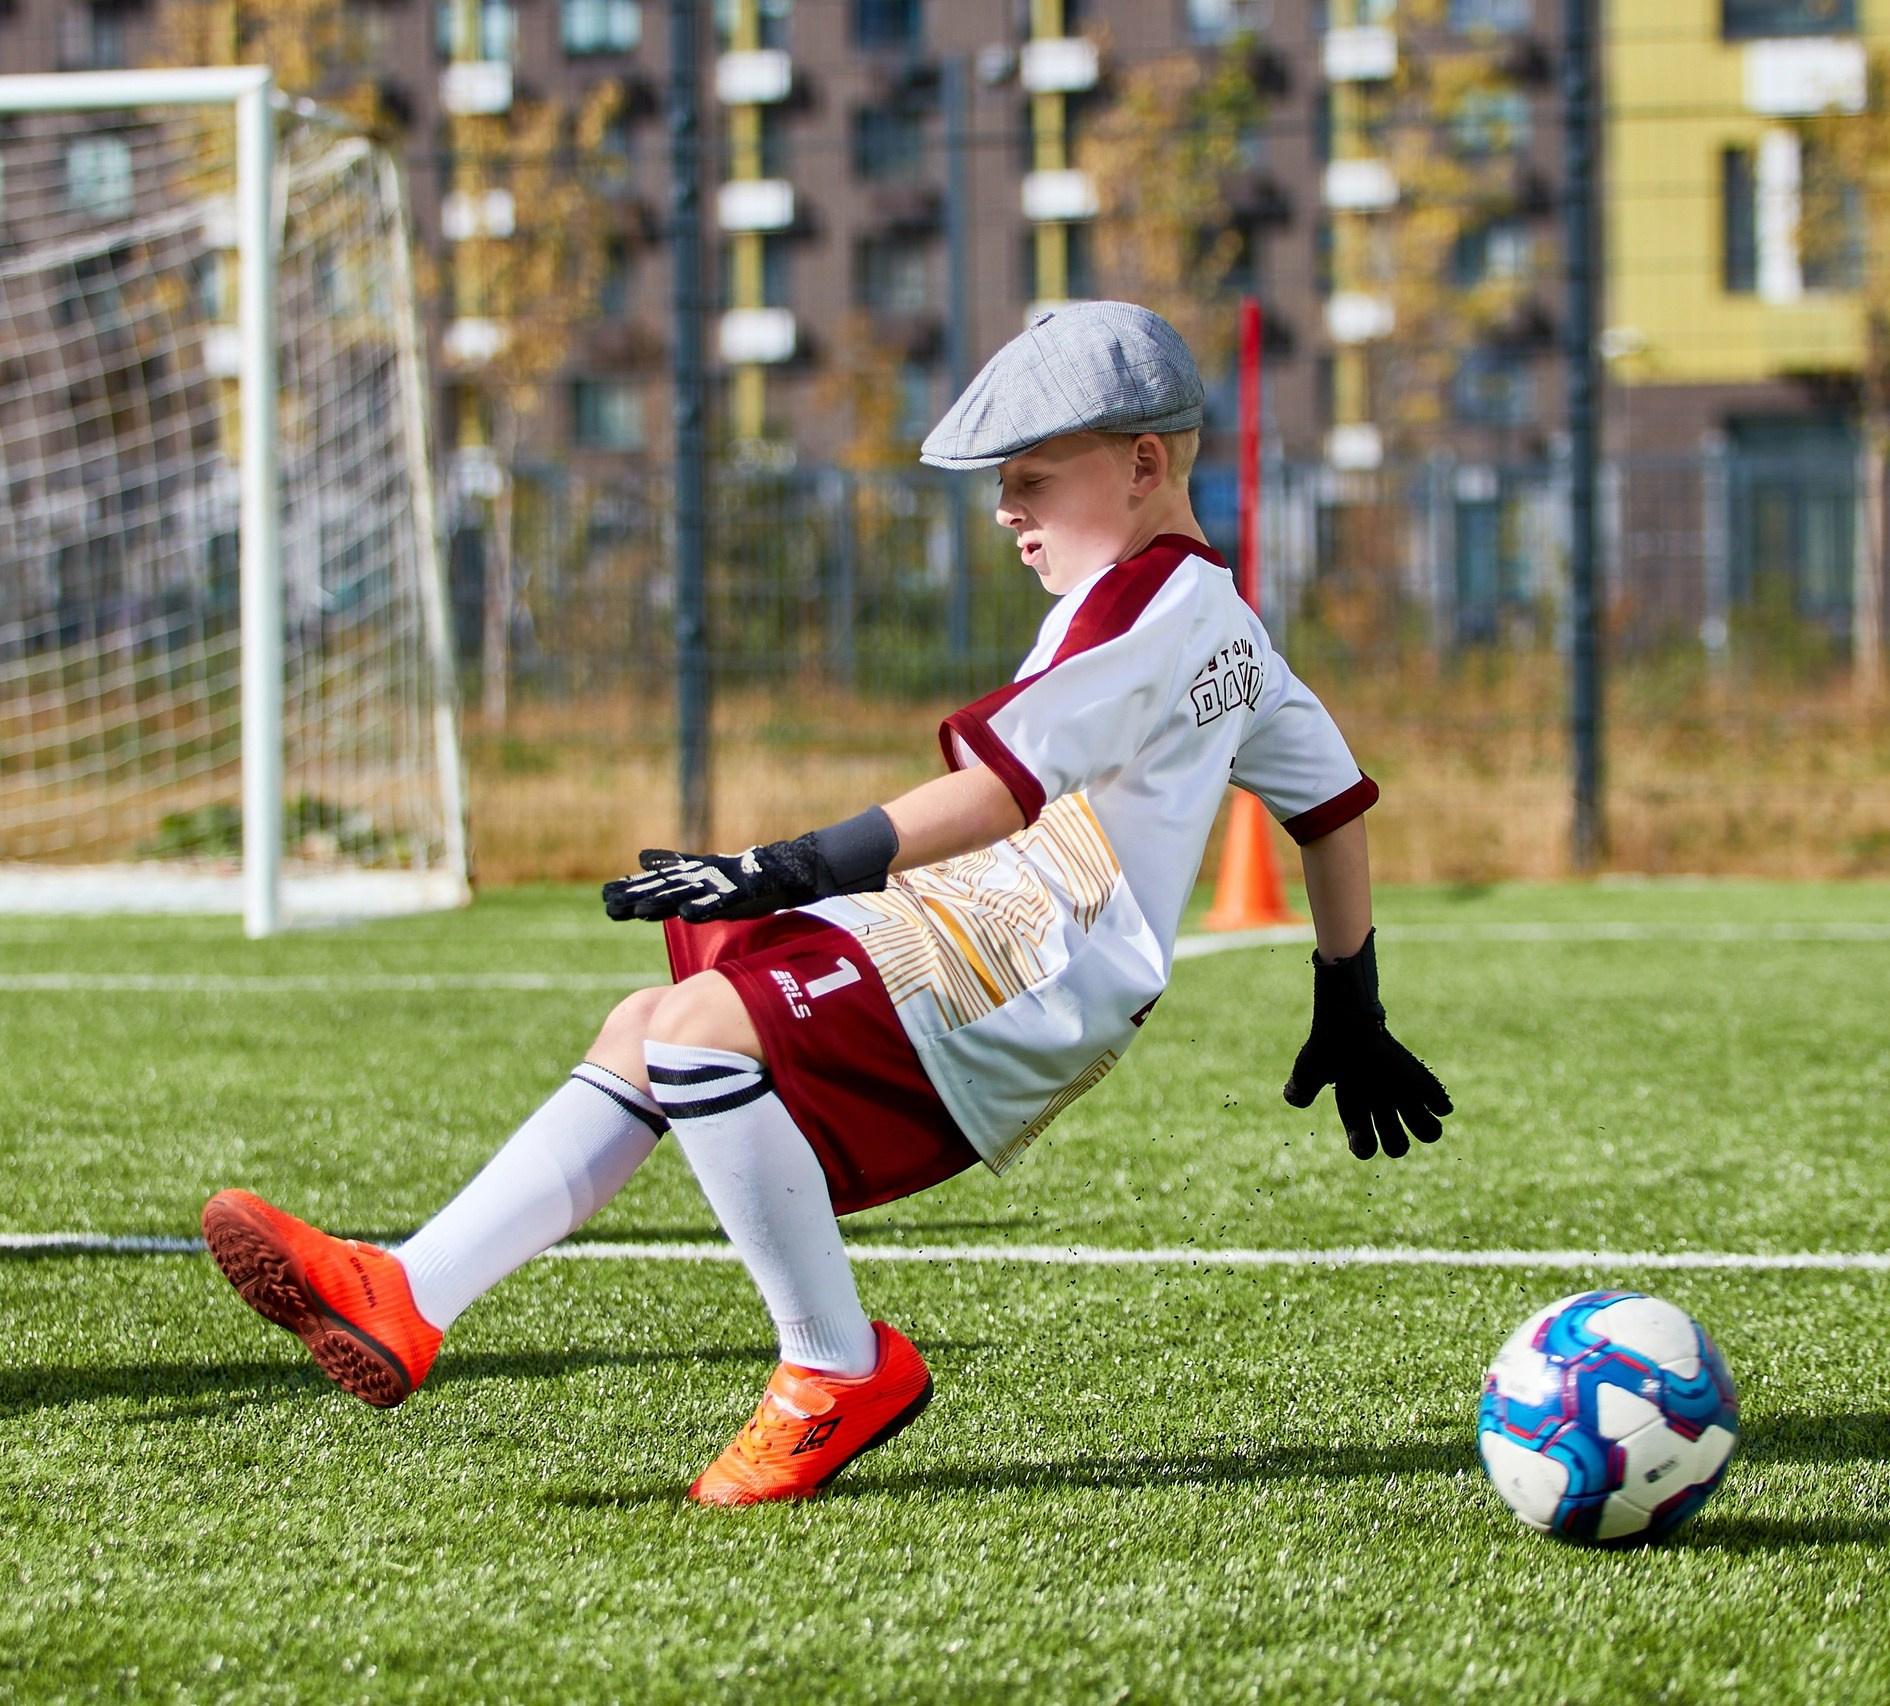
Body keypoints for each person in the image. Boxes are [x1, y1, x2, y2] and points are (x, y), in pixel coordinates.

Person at [200, 302, 1450, 1505]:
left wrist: (787, 864)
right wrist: (1351, 996)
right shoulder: (1216, 613)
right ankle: (408, 1290)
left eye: (1029, 477)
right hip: (995, 926)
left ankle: (836, 1365)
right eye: (998, 485)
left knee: (698, 1034)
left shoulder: (1143, 611)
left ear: (1139, 463)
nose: (1006, 512)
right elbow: (1331, 808)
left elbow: (999, 792)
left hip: (1026, 955)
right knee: (653, 1020)